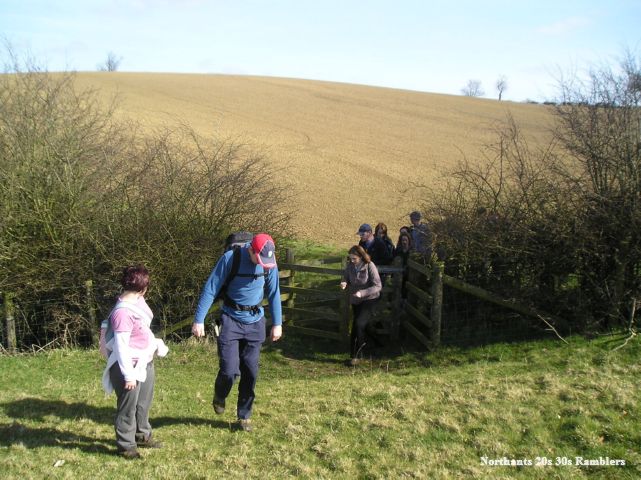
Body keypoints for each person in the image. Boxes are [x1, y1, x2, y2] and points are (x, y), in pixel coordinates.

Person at [192, 233, 282, 432]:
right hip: (231, 320)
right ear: (251, 250)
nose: (263, 264)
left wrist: (278, 323)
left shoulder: (269, 262)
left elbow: (274, 292)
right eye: (259, 259)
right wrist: (199, 320)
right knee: (229, 370)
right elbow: (211, 288)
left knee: (250, 371)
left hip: (255, 322)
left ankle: (244, 415)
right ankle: (220, 394)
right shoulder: (230, 258)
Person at [102, 265, 166, 459]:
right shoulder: (122, 313)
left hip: (144, 361)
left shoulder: (138, 299)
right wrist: (128, 375)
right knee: (127, 408)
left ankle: (142, 435)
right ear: (143, 288)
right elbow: (122, 347)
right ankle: (126, 446)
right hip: (128, 366)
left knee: (143, 403)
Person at [340, 245, 382, 366]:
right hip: (356, 300)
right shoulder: (350, 266)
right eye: (350, 258)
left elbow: (378, 286)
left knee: (357, 324)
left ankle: (356, 356)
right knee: (364, 325)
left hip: (369, 299)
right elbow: (346, 277)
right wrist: (344, 282)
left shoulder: (370, 266)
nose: (352, 261)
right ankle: (377, 344)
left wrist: (362, 293)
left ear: (361, 257)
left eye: (354, 258)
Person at [394, 231, 413, 301]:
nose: (404, 242)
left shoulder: (412, 251)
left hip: (409, 275)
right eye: (403, 240)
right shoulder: (398, 251)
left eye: (406, 240)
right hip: (399, 274)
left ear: (409, 241)